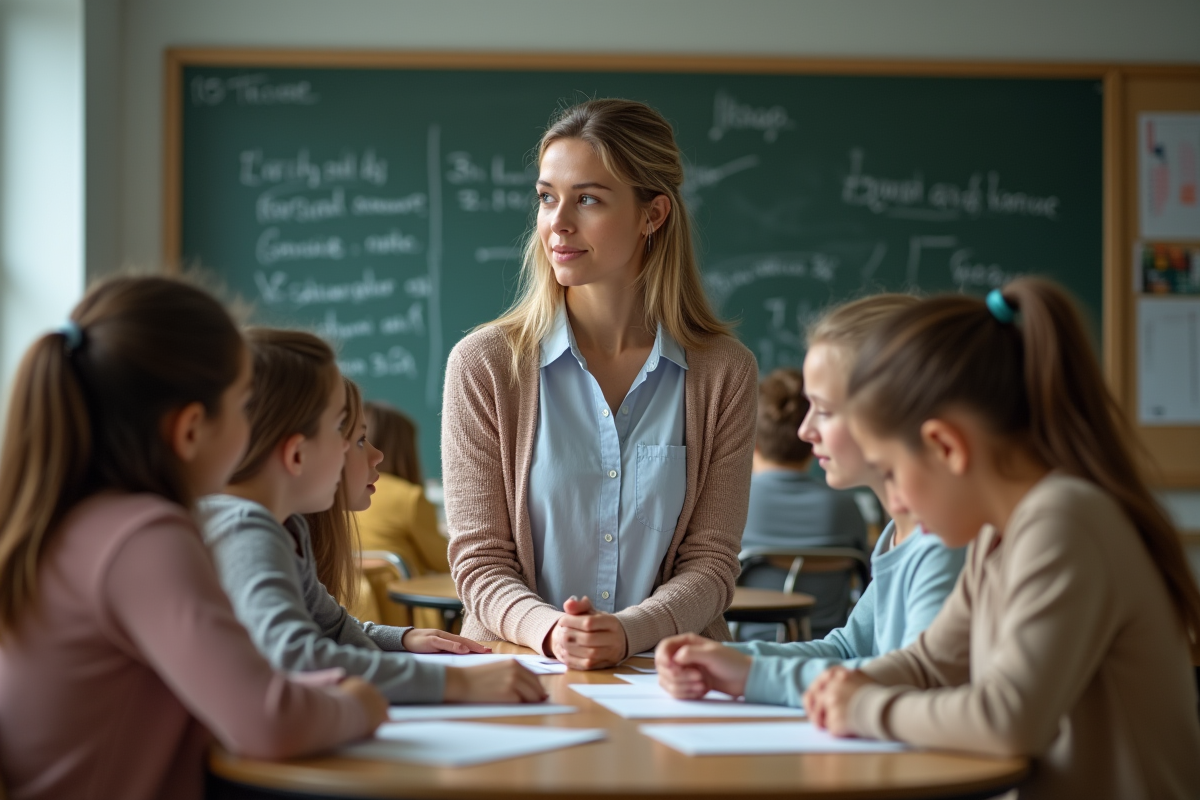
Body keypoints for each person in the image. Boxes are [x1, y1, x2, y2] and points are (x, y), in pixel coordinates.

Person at [805, 280, 1200, 799]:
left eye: (892, 473)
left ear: (946, 446)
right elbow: (928, 662)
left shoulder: (1064, 521)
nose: (895, 502)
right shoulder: (998, 535)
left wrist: (862, 707)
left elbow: (1008, 718)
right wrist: (845, 685)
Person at [0, 277, 386, 800]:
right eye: (243, 404)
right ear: (190, 430)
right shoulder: (143, 539)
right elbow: (270, 722)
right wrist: (362, 703)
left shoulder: (76, 519)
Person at [442, 98, 757, 670]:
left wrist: (628, 632)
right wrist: (555, 631)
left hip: (673, 682)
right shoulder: (485, 365)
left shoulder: (723, 373)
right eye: (546, 197)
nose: (557, 222)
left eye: (587, 199)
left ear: (652, 215)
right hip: (519, 675)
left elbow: (712, 563)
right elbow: (479, 563)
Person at [200, 328, 547, 705]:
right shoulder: (245, 531)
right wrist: (455, 685)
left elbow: (332, 630)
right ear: (297, 455)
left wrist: (400, 640)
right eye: (343, 432)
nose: (357, 450)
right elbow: (297, 658)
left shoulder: (286, 527)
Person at [657, 294, 964, 706]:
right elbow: (848, 649)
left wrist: (751, 674)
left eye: (824, 410)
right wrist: (724, 657)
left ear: (893, 411)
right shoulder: (899, 532)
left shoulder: (945, 541)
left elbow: (914, 679)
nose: (804, 431)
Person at [740, 367, 868, 639]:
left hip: (742, 646)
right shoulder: (846, 507)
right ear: (812, 444)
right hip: (826, 648)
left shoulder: (732, 503)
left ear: (752, 442)